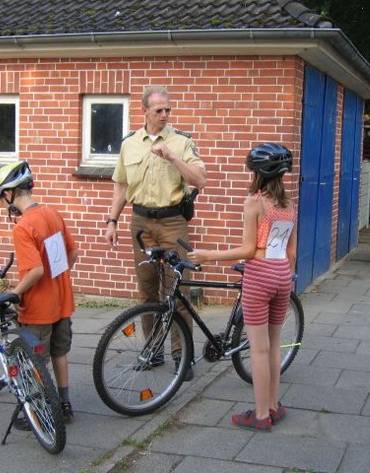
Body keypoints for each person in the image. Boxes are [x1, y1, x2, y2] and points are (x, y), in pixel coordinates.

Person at [187, 143, 297, 432]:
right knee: (274, 345)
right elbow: (292, 251)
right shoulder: (288, 204)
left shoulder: (255, 203)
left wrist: (208, 255)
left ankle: (260, 415)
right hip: (283, 274)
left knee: (258, 351)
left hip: (259, 275)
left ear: (258, 173)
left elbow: (249, 250)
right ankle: (273, 406)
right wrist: (285, 276)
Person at [105, 85, 206, 380]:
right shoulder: (130, 144)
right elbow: (122, 185)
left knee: (177, 289)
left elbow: (201, 179)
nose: (164, 115)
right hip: (141, 223)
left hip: (173, 221)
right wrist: (112, 220)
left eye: (167, 110)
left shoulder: (182, 142)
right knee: (147, 290)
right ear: (145, 111)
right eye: (158, 110)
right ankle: (151, 351)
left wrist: (173, 158)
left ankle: (182, 355)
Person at [0, 161, 79, 423]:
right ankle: (64, 405)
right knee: (59, 353)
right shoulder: (52, 214)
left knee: (35, 361)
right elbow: (72, 252)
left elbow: (36, 271)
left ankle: (40, 413)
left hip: (38, 308)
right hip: (62, 301)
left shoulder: (23, 226)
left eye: (2, 197)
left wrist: (13, 294)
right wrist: (59, 277)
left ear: (9, 193)